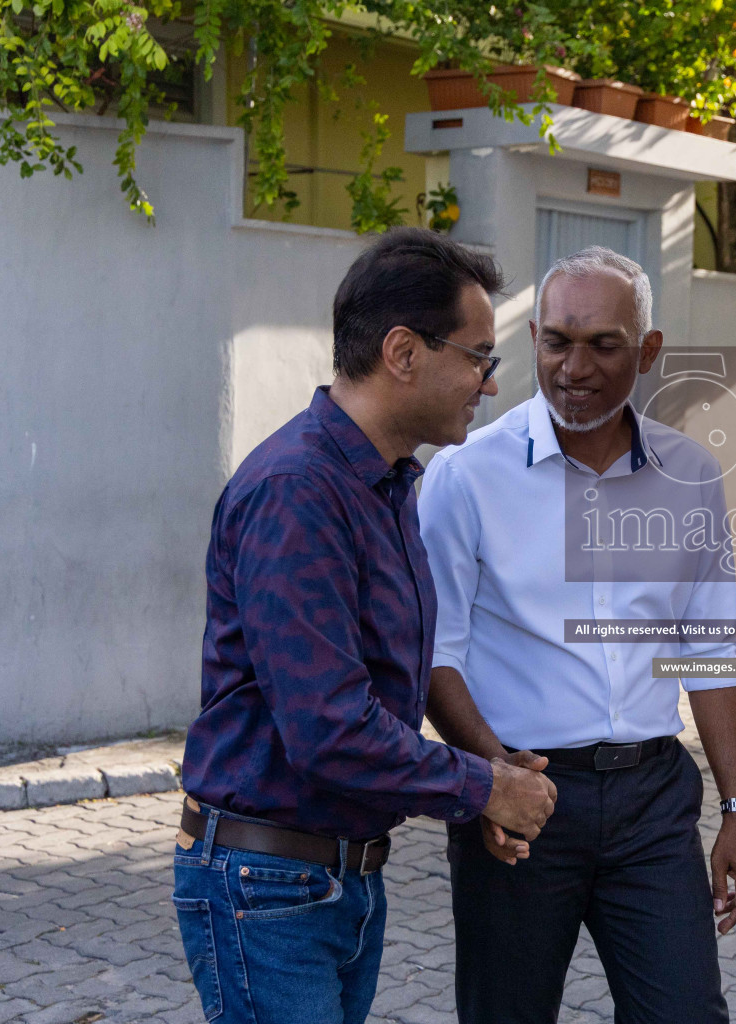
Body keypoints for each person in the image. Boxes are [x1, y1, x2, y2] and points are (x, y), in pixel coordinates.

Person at [173, 228, 557, 1024]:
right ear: (404, 352)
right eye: (479, 356)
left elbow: (395, 679)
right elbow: (328, 726)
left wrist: (488, 767)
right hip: (268, 885)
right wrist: (484, 787)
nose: (489, 383)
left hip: (336, 882)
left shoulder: (386, 483)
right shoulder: (299, 491)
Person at [418, 246, 736, 1024]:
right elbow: (433, 650)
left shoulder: (691, 475)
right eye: (556, 342)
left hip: (652, 802)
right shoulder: (468, 474)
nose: (575, 367)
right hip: (523, 797)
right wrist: (493, 775)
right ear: (534, 337)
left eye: (603, 344)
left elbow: (709, 646)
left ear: (647, 351)